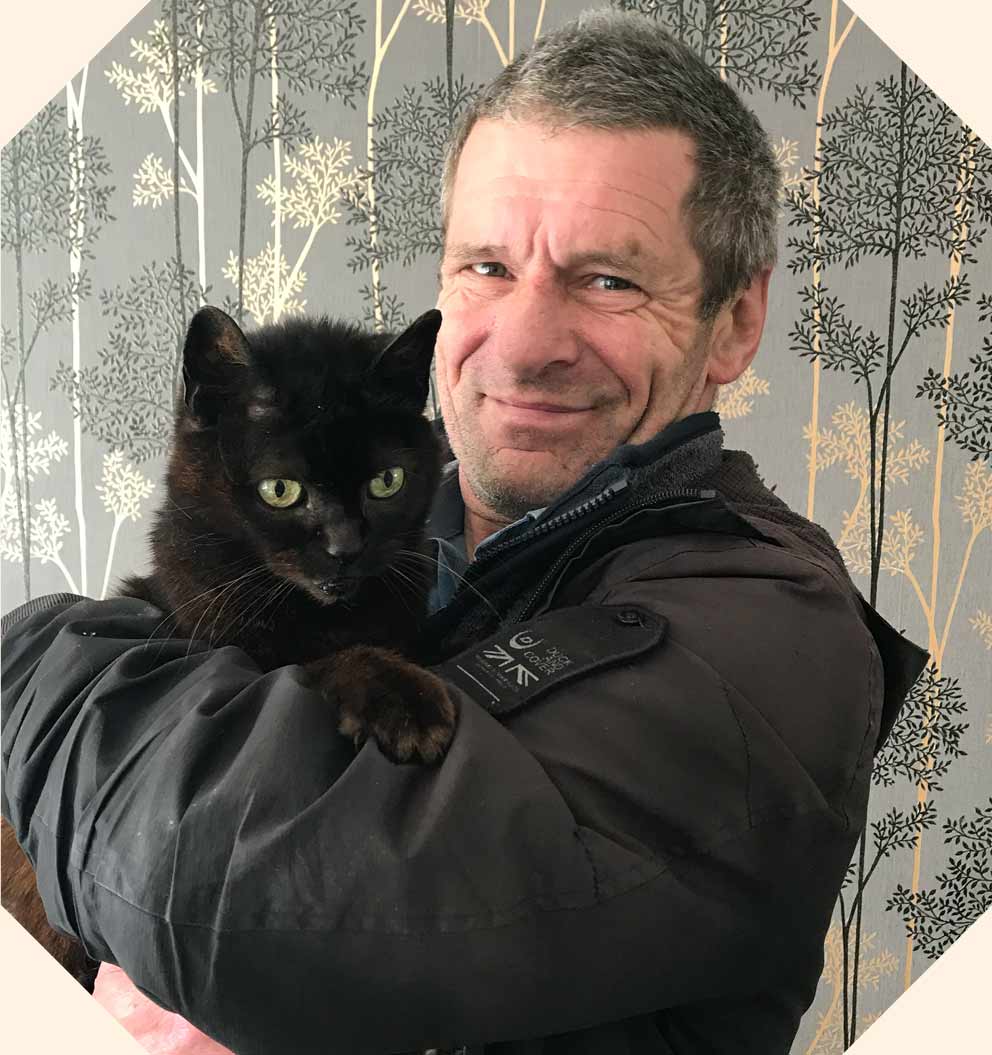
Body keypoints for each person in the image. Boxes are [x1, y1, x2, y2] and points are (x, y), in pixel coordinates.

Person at [1, 11, 928, 1055]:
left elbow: (233, 897)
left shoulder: (771, 630)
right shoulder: (402, 518)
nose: (524, 343)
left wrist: (34, 653)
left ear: (735, 321)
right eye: (486, 266)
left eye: (608, 278)